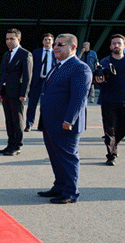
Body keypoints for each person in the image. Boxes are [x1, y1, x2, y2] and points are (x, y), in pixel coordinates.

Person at [37, 34, 92, 203]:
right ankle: (59, 186)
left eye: (60, 45)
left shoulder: (79, 68)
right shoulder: (57, 66)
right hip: (50, 122)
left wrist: (70, 119)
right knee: (55, 156)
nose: (55, 48)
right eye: (55, 45)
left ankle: (70, 192)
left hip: (66, 124)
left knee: (67, 157)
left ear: (73, 47)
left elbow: (79, 98)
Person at [94, 35, 125, 166]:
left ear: (124, 45)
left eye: (119, 43)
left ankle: (114, 143)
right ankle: (111, 155)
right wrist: (100, 79)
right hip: (108, 99)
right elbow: (98, 81)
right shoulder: (104, 62)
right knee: (109, 129)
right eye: (114, 43)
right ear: (110, 46)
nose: (116, 45)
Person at [0, 29, 32, 155]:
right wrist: (0, 92)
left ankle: (17, 146)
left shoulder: (25, 54)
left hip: (17, 93)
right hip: (6, 92)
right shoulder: (6, 55)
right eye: (7, 39)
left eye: (12, 39)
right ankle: (10, 144)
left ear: (19, 39)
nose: (9, 41)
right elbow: (3, 74)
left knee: (17, 120)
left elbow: (27, 76)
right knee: (9, 120)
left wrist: (24, 93)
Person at [25, 33, 55, 132]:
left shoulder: (56, 53)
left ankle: (42, 125)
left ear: (53, 42)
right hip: (37, 82)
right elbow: (30, 68)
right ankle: (29, 124)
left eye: (49, 40)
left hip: (49, 82)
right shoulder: (36, 53)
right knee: (32, 104)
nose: (47, 42)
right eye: (45, 40)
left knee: (46, 104)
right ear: (42, 41)